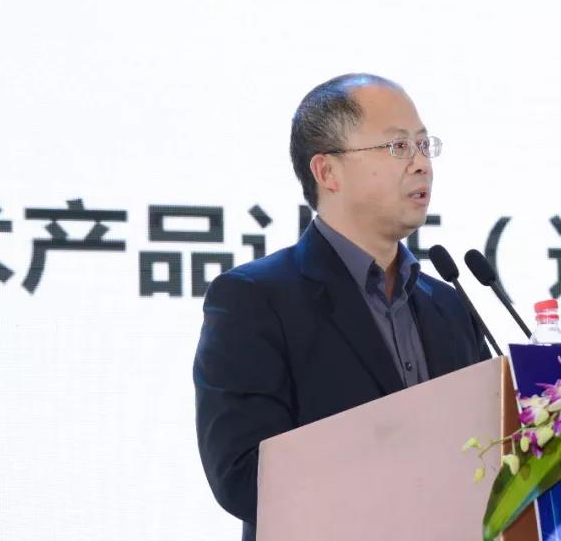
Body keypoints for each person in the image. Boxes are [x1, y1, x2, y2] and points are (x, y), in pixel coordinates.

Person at [193, 73, 491, 540]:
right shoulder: (254, 299)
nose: (421, 165)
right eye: (397, 147)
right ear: (327, 172)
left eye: (423, 145)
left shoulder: (450, 306)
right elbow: (243, 475)